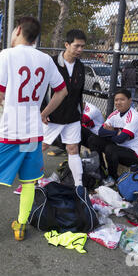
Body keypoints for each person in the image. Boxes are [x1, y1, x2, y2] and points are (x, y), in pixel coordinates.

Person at [0, 16, 68, 245]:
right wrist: (43, 113)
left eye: (13, 30)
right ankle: (21, 225)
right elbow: (62, 92)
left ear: (19, 30)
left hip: (10, 132)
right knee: (29, 181)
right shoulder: (45, 59)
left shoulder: (7, 55)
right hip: (33, 132)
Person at [41, 29, 87, 187]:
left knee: (73, 148)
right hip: (51, 115)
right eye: (76, 46)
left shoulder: (81, 67)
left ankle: (79, 186)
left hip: (72, 117)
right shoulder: (51, 63)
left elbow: (79, 93)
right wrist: (43, 112)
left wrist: (80, 111)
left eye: (82, 46)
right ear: (66, 45)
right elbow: (41, 89)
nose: (80, 50)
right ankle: (30, 179)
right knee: (41, 147)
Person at [87, 89, 138, 186]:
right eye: (116, 100)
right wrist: (116, 132)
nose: (118, 102)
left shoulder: (133, 116)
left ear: (130, 101)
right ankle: (100, 170)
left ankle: (112, 178)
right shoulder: (115, 114)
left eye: (122, 99)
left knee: (110, 148)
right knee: (93, 139)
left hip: (133, 154)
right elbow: (101, 132)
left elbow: (121, 139)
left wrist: (111, 132)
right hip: (118, 147)